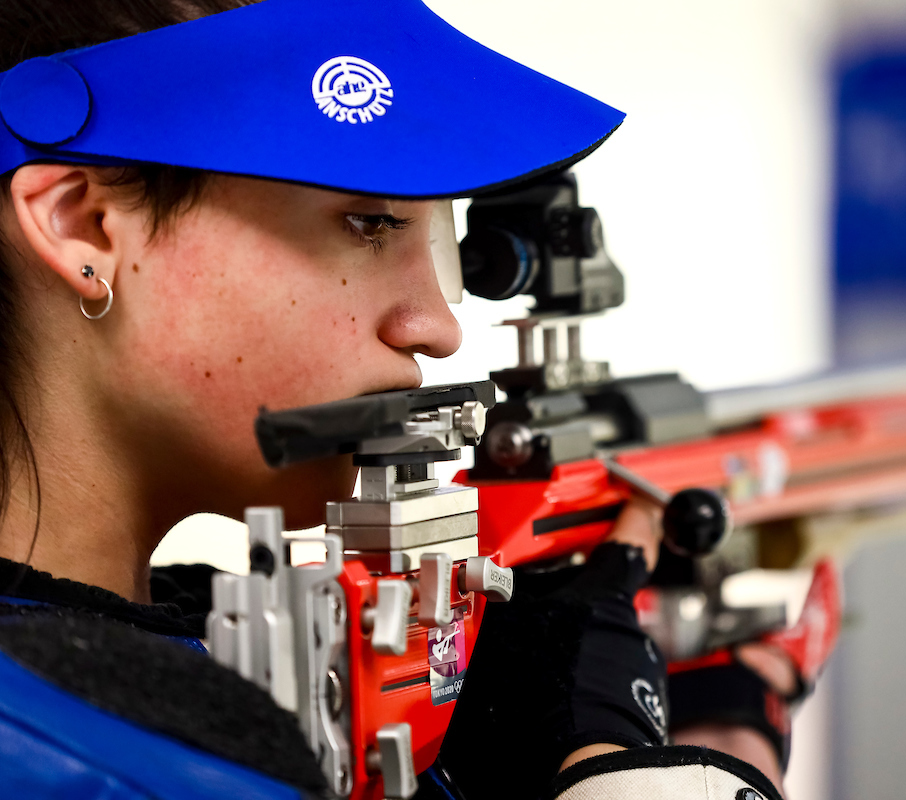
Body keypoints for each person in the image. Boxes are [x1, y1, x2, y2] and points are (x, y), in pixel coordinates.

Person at [0, 1, 829, 798]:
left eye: (433, 235)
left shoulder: (180, 669)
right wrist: (628, 771)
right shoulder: (79, 758)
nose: (437, 328)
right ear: (82, 224)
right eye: (369, 222)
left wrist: (706, 736)